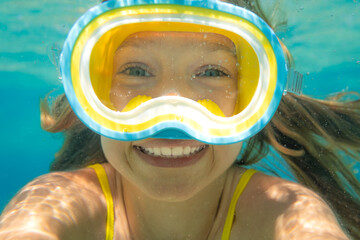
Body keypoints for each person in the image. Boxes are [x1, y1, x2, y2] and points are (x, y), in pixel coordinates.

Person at [1, 0, 359, 239]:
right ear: (91, 91)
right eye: (136, 69)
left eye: (213, 72)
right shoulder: (62, 202)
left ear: (254, 95)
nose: (172, 115)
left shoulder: (282, 210)